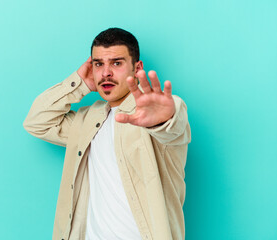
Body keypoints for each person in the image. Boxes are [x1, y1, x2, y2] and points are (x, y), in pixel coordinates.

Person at [23, 28, 191, 240]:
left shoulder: (155, 114)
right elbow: (37, 121)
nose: (105, 73)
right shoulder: (86, 121)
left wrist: (164, 119)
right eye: (98, 64)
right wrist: (79, 84)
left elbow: (173, 129)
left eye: (117, 63)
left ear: (137, 68)